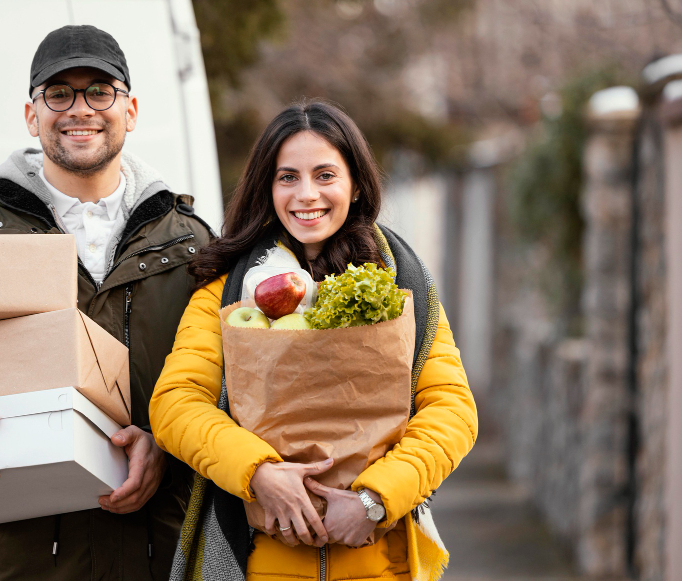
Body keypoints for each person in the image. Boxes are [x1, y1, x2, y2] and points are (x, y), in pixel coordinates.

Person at [0, 24, 212, 580]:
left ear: (132, 109)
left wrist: (168, 445)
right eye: (59, 93)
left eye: (100, 91)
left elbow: (228, 386)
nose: (80, 109)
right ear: (32, 115)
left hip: (156, 553)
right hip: (21, 562)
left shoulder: (191, 243)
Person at [149, 101, 478, 581]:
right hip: (254, 562)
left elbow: (452, 409)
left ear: (356, 183)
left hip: (381, 564)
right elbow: (176, 403)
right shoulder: (228, 287)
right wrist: (258, 474)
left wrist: (375, 499)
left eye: (325, 175)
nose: (307, 195)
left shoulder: (401, 280)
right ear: (268, 185)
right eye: (288, 177)